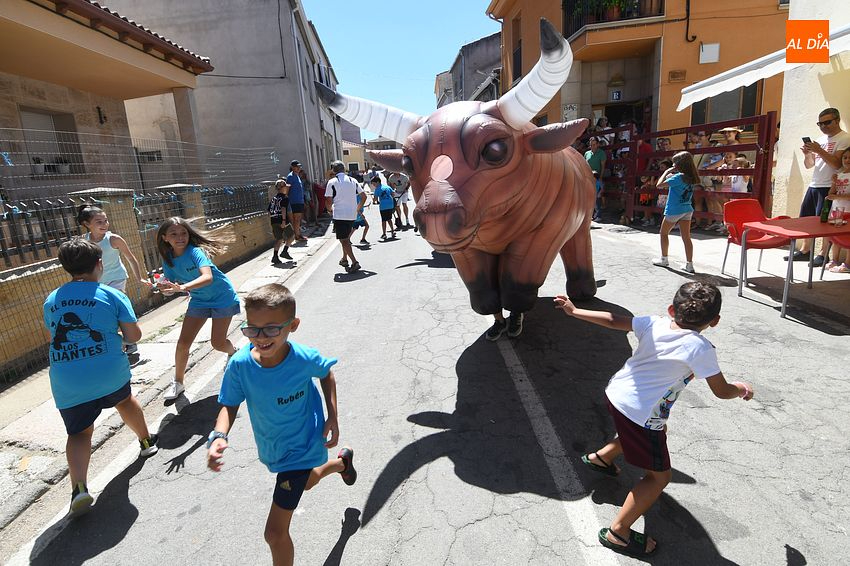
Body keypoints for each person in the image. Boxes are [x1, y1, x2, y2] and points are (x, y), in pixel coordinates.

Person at [554, 282, 754, 558]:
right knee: (659, 477)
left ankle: (602, 457)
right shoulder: (700, 348)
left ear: (671, 309)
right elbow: (721, 391)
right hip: (642, 414)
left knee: (648, 430)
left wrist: (574, 311)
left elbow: (613, 320)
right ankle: (618, 532)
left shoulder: (654, 323)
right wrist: (740, 389)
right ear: (715, 320)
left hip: (617, 395)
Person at [206, 283, 357, 566]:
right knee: (306, 483)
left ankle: (339, 465)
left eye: (272, 329)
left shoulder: (303, 359)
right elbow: (229, 404)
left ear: (293, 325)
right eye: (253, 329)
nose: (261, 338)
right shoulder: (240, 365)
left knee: (274, 534)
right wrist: (219, 435)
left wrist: (332, 416)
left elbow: (326, 373)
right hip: (275, 449)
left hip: (304, 445)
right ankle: (341, 464)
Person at [44, 238, 160, 517]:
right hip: (109, 372)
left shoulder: (52, 300)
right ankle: (146, 442)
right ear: (99, 264)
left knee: (79, 433)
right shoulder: (111, 294)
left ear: (66, 268)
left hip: (68, 380)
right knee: (125, 401)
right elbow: (134, 335)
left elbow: (52, 337)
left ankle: (79, 488)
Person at [154, 217, 239, 400]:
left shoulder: (196, 252)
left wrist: (183, 287)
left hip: (222, 297)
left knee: (218, 343)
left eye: (183, 233)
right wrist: (165, 288)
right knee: (183, 344)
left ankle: (233, 353)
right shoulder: (168, 259)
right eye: (174, 234)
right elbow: (171, 285)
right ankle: (178, 383)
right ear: (164, 238)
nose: (180, 237)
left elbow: (207, 277)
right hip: (199, 300)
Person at [77, 205, 146, 361]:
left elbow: (130, 258)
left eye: (106, 220)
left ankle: (130, 342)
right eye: (99, 222)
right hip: (97, 282)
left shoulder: (114, 239)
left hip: (116, 279)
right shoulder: (84, 241)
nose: (104, 224)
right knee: (103, 313)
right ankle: (114, 342)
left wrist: (139, 278)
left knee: (117, 309)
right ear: (87, 224)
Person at [790, 108, 850, 267]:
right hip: (814, 184)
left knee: (824, 222)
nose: (823, 126)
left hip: (829, 186)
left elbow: (837, 164)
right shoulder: (820, 139)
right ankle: (805, 250)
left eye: (827, 122)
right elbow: (810, 165)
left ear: (837, 120)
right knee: (806, 218)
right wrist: (808, 155)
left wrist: (819, 150)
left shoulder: (845, 138)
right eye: (820, 123)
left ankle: (823, 254)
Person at [652, 151, 700, 273]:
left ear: (679, 165)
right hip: (687, 209)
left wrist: (666, 171)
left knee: (663, 233)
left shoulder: (678, 177)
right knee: (686, 237)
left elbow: (659, 185)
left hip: (674, 210)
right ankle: (689, 264)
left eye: (674, 163)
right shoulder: (691, 177)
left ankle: (664, 259)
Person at [325, 161, 367, 273]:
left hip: (340, 215)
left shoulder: (332, 182)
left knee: (343, 240)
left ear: (334, 170)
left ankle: (354, 262)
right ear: (344, 169)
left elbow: (328, 200)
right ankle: (344, 259)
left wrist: (329, 210)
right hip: (352, 215)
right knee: (345, 238)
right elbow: (364, 196)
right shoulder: (353, 180)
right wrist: (357, 209)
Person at [825, 148, 850, 272]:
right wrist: (834, 183)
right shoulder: (839, 175)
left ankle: (847, 264)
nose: (847, 160)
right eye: (845, 157)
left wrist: (837, 197)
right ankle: (834, 260)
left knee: (848, 237)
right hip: (837, 211)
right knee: (836, 237)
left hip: (849, 211)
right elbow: (830, 194)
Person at [268, 180, 295, 265]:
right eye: (285, 186)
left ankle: (275, 256)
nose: (286, 188)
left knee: (279, 239)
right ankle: (285, 251)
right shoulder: (285, 198)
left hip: (274, 220)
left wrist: (271, 222)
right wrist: (283, 220)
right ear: (282, 188)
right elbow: (283, 208)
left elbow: (269, 211)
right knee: (292, 235)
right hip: (282, 220)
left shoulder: (273, 199)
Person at [286, 161, 307, 242]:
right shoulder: (290, 176)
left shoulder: (297, 176)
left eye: (299, 166)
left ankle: (298, 234)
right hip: (294, 201)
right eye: (296, 166)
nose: (299, 168)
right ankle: (297, 236)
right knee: (296, 219)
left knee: (298, 219)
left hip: (299, 201)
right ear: (292, 167)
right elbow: (287, 189)